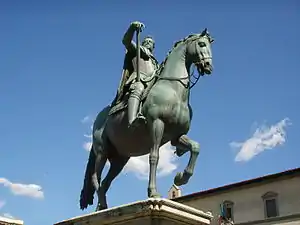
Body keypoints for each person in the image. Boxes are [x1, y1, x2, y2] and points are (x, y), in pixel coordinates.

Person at [117, 21, 159, 130]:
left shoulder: (155, 62)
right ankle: (132, 121)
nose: (148, 43)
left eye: (151, 42)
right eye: (146, 41)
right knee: (138, 88)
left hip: (152, 82)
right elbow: (126, 41)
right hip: (139, 79)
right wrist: (132, 28)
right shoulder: (137, 50)